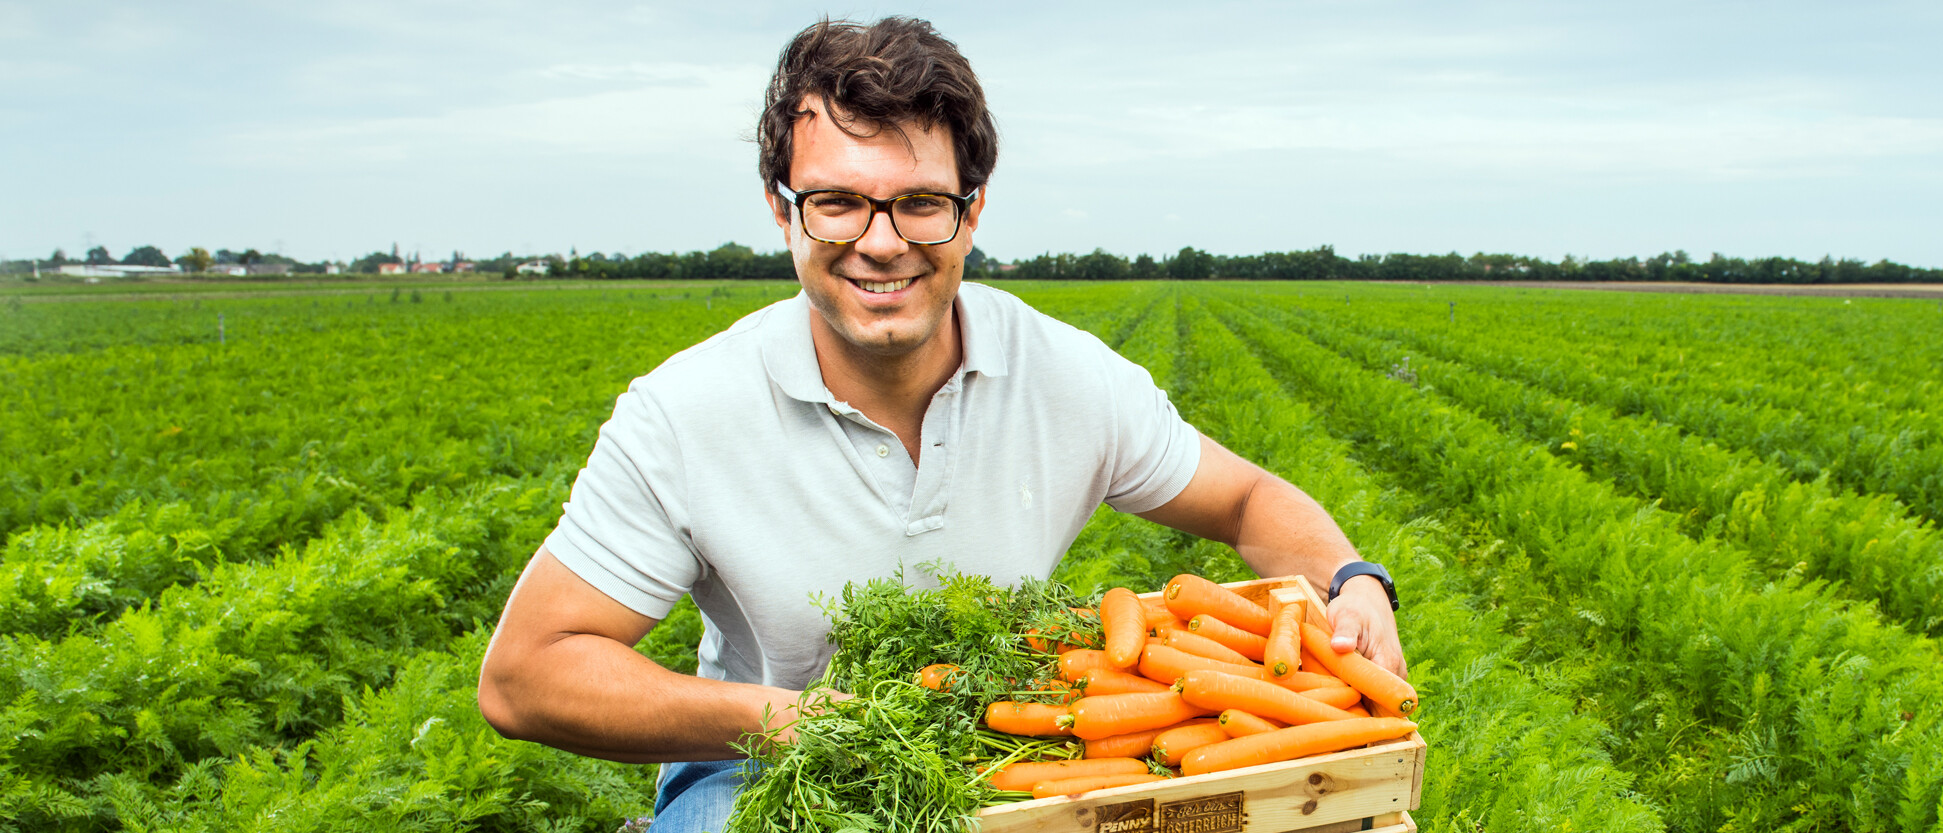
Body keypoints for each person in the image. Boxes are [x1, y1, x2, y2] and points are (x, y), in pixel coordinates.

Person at [474, 16, 1406, 831]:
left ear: (972, 212)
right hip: (762, 761)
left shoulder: (1064, 374)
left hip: (1000, 746)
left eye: (921, 203)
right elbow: (524, 676)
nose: (881, 242)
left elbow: (1247, 498)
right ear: (782, 211)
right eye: (837, 202)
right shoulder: (685, 413)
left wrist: (1353, 578)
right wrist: (801, 719)